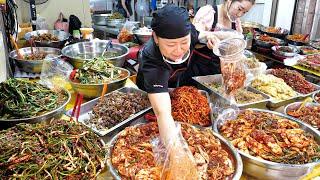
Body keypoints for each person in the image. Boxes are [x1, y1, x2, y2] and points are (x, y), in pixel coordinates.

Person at [136, 4, 200, 146]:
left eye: (184, 43)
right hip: (150, 90)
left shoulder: (189, 33)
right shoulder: (150, 57)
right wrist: (175, 150)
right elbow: (162, 112)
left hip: (173, 83)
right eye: (171, 45)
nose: (179, 51)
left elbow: (201, 36)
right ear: (156, 38)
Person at [189, 0, 255, 75]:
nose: (240, 14)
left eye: (244, 12)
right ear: (229, 1)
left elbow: (235, 49)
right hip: (199, 69)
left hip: (220, 70)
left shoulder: (236, 23)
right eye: (239, 9)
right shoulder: (208, 12)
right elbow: (192, 38)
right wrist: (207, 37)